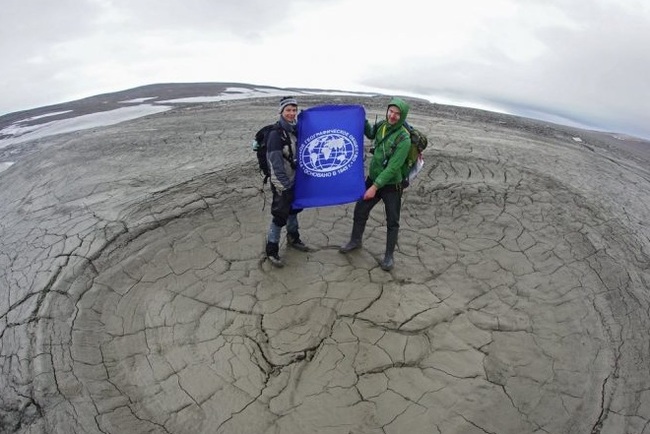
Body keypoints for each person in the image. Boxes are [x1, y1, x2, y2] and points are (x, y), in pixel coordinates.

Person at [339, 97, 412, 271]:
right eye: (391, 111)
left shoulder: (404, 139)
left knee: (392, 220)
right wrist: (362, 117)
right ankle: (355, 240)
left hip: (391, 186)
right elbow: (371, 133)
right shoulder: (382, 125)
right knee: (360, 210)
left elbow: (393, 168)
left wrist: (374, 187)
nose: (393, 116)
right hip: (373, 179)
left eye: (397, 114)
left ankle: (389, 256)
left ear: (402, 116)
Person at [265, 96, 310, 267]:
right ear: (281, 112)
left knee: (293, 211)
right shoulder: (275, 135)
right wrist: (284, 187)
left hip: (295, 181)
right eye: (288, 110)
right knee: (279, 216)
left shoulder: (294, 130)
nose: (292, 113)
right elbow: (274, 166)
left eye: (294, 110)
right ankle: (271, 249)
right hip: (282, 184)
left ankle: (293, 238)